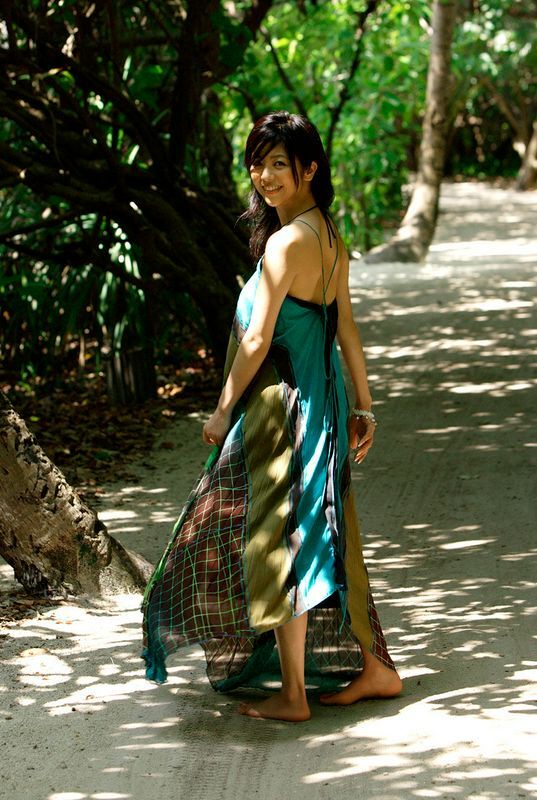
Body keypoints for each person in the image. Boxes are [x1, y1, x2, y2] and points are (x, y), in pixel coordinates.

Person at [141, 110, 402, 722]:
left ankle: (293, 694)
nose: (264, 176)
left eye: (278, 163)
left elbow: (258, 340)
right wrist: (363, 407)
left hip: (289, 408)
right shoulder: (327, 233)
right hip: (322, 403)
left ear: (309, 168)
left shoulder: (288, 243)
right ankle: (374, 669)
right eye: (257, 164)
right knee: (324, 532)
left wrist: (221, 410)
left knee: (279, 541)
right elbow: (346, 330)